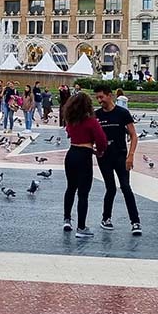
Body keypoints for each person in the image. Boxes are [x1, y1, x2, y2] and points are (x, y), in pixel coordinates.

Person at [94, 86, 141, 235]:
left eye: (101, 97)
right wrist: (94, 150)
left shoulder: (122, 113)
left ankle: (135, 222)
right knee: (110, 188)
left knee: (126, 188)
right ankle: (106, 218)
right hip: (104, 157)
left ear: (110, 96)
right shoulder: (96, 115)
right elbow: (91, 136)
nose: (99, 100)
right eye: (97, 98)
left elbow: (133, 135)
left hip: (121, 156)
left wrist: (131, 155)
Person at [62, 92, 108, 238]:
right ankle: (81, 227)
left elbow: (70, 133)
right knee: (83, 193)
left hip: (71, 154)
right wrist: (99, 151)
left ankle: (67, 219)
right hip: (84, 156)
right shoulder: (91, 121)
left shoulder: (70, 120)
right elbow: (102, 141)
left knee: (70, 188)